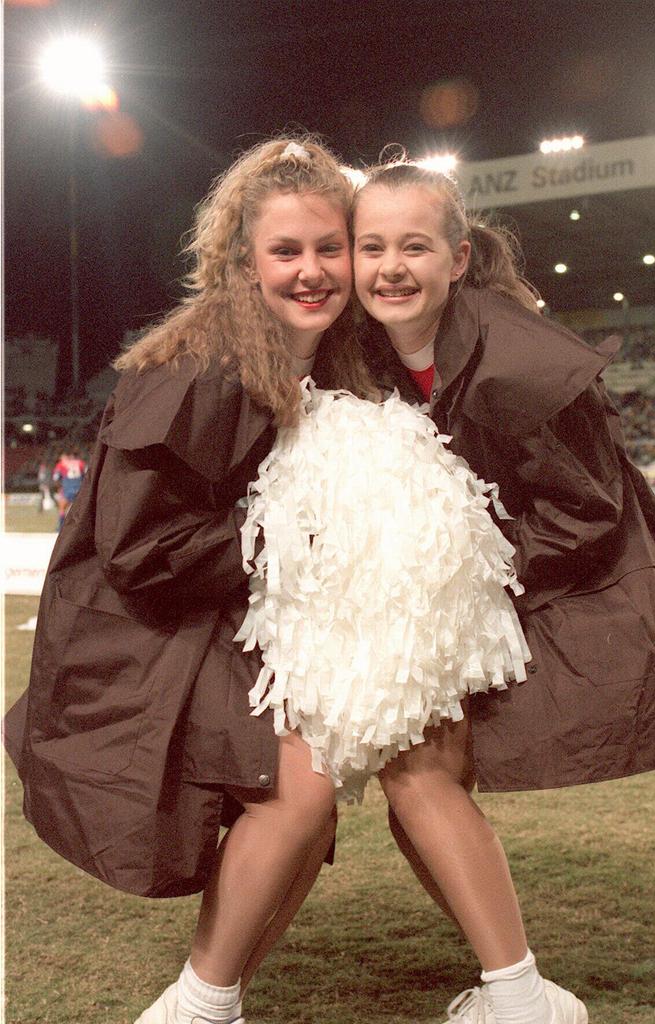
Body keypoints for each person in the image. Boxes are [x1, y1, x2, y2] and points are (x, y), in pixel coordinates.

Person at [4, 135, 377, 1024]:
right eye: (286, 251)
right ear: (242, 259)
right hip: (147, 616)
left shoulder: (316, 356)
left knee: (311, 812)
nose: (313, 270)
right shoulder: (201, 358)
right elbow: (138, 546)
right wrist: (294, 536)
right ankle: (195, 1009)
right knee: (303, 782)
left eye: (331, 247)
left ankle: (217, 1002)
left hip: (221, 610)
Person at [351, 160, 655, 1024]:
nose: (391, 266)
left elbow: (586, 511)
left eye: (415, 246)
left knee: (418, 778)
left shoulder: (520, 358)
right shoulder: (366, 348)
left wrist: (448, 572)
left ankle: (521, 996)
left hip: (560, 578)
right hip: (477, 586)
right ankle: (514, 990)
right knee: (418, 789)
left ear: (459, 259)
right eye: (372, 246)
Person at [52, 447, 87, 529]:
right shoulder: (81, 463)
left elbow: (55, 478)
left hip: (67, 489)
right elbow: (87, 476)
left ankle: (61, 527)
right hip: (79, 489)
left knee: (62, 508)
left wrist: (59, 487)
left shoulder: (62, 464)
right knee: (81, 510)